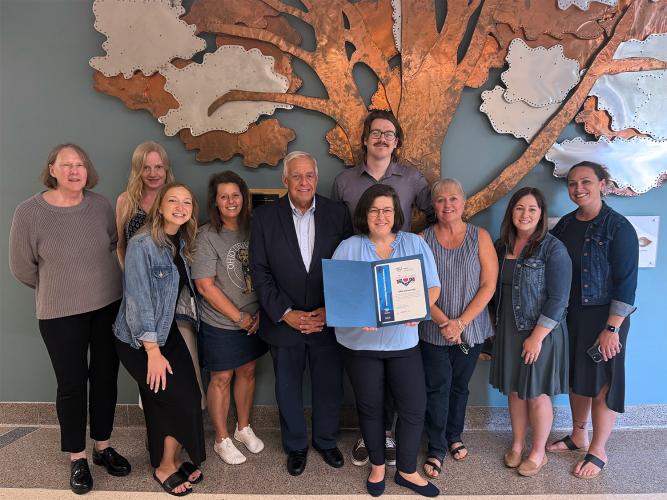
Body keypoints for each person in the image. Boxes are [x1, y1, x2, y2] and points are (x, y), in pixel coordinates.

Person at [9, 143, 131, 494]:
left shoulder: (100, 205)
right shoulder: (29, 212)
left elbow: (110, 244)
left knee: (106, 378)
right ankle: (77, 457)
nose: (75, 171)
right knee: (72, 384)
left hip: (108, 304)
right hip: (59, 313)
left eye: (80, 164)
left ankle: (102, 448)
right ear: (52, 170)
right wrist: (59, 287)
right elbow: (22, 267)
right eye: (67, 165)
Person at [332, 109, 432, 467]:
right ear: (364, 139)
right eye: (375, 133)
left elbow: (433, 211)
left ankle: (392, 447)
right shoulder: (344, 182)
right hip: (360, 285)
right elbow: (338, 231)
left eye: (389, 134)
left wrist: (415, 251)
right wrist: (357, 314)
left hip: (401, 300)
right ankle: (372, 444)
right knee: (368, 394)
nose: (382, 138)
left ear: (397, 141)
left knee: (404, 394)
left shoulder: (412, 179)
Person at [333, 184, 441, 497]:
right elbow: (339, 295)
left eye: (388, 210)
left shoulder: (413, 243)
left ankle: (407, 470)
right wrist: (355, 315)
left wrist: (418, 310)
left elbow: (432, 288)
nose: (381, 216)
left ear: (396, 214)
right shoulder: (348, 247)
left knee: (413, 407)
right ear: (364, 214)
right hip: (360, 345)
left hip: (403, 342)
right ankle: (378, 465)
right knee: (370, 407)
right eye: (375, 210)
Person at [249, 151, 353, 476]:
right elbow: (260, 271)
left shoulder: (338, 214)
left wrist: (329, 310)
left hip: (327, 320)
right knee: (287, 388)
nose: (304, 181)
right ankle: (295, 445)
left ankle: (324, 441)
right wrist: (286, 313)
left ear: (316, 178)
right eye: (297, 176)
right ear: (285, 180)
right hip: (284, 322)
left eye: (309, 175)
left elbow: (347, 267)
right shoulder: (265, 218)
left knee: (328, 386)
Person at [548, 161, 638, 479]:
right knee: (578, 380)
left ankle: (598, 449)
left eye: (585, 181)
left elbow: (627, 284)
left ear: (602, 184)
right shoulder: (566, 225)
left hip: (605, 318)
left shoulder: (618, 227)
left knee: (603, 385)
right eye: (572, 183)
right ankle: (577, 434)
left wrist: (612, 328)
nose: (578, 188)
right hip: (572, 316)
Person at [114, 182, 205, 496]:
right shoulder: (142, 244)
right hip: (138, 339)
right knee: (177, 399)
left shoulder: (179, 239)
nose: (180, 207)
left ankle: (175, 457)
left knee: (176, 397)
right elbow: (138, 299)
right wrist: (152, 352)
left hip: (166, 331)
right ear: (160, 207)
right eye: (173, 201)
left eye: (187, 202)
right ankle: (165, 466)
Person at [489, 187, 572, 477]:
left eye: (532, 209)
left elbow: (559, 299)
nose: (525, 214)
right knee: (515, 391)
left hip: (541, 333)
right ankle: (516, 444)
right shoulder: (501, 247)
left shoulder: (553, 248)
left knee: (536, 394)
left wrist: (537, 337)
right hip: (509, 330)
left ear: (541, 214)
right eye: (519, 208)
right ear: (511, 212)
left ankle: (538, 452)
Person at [419, 178, 497, 479]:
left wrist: (460, 323)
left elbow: (488, 285)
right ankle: (436, 447)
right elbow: (416, 288)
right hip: (432, 330)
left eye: (453, 199)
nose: (447, 205)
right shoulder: (421, 240)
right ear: (433, 205)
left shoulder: (480, 237)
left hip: (471, 330)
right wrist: (444, 323)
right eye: (440, 200)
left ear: (463, 203)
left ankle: (455, 435)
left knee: (459, 387)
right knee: (437, 388)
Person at [193, 171, 268, 465]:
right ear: (215, 201)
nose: (230, 201)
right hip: (222, 321)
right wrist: (240, 318)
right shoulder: (206, 235)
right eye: (223, 196)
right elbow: (205, 286)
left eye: (235, 195)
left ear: (244, 197)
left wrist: (260, 313)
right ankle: (221, 438)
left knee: (248, 372)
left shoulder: (255, 229)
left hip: (255, 318)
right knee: (221, 377)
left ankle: (242, 428)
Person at [115, 141, 174, 266]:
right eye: (145, 168)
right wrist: (129, 274)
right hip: (137, 277)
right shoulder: (125, 200)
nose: (152, 174)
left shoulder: (178, 200)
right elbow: (120, 246)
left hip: (173, 278)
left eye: (158, 167)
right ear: (138, 171)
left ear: (166, 169)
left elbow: (188, 246)